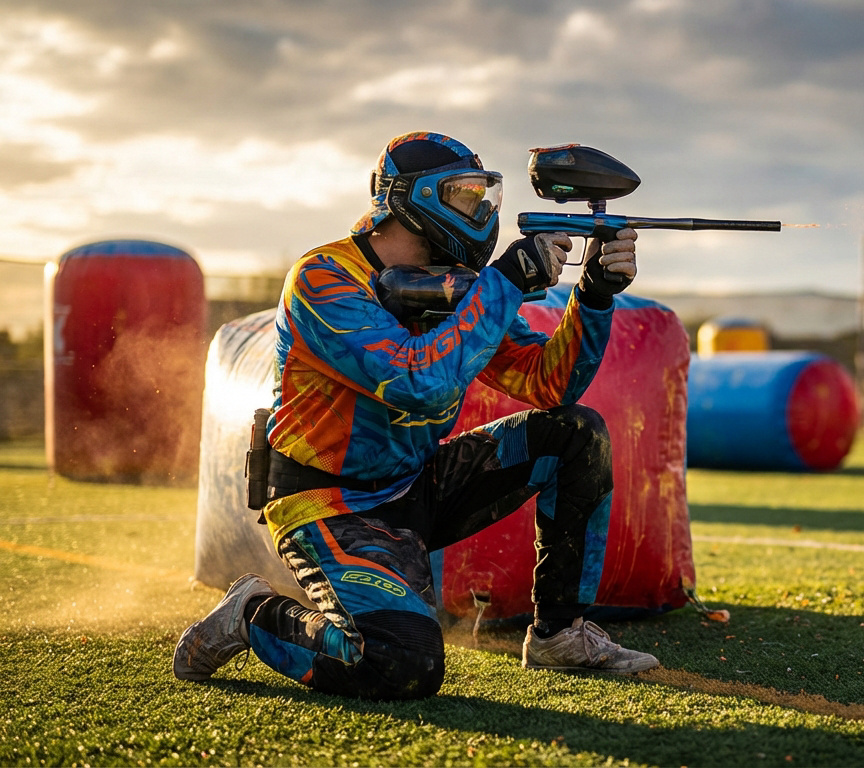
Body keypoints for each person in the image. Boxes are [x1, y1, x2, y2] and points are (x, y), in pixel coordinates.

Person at [173, 131, 659, 700]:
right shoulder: (322, 279)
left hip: (415, 485)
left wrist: (595, 294)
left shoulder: (457, 283)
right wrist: (503, 285)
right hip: (332, 504)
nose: (480, 212)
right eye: (464, 196)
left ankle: (560, 634)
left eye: (485, 197)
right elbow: (416, 383)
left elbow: (547, 382)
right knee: (400, 664)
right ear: (411, 198)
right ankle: (252, 611)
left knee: (575, 432)